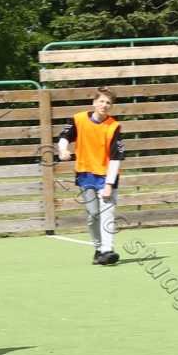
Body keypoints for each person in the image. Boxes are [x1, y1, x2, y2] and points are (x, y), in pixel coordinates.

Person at [57, 87, 124, 265]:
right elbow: (64, 137)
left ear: (111, 106)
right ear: (94, 103)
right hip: (85, 174)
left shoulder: (114, 127)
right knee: (93, 215)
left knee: (107, 213)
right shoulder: (78, 119)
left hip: (106, 176)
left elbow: (116, 158)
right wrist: (63, 150)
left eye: (108, 103)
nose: (104, 105)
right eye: (101, 101)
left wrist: (109, 184)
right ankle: (98, 249)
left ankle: (108, 250)